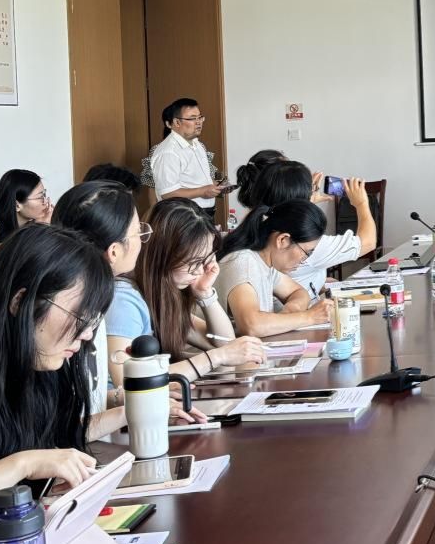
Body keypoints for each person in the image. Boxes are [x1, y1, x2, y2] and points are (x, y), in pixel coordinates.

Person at [0, 225, 119, 494]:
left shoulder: (41, 368)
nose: (87, 334)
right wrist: (24, 464)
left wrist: (129, 412)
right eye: (80, 317)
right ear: (20, 302)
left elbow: (61, 434)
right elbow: (31, 459)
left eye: (93, 320)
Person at [108, 198, 264, 385]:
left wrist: (205, 293)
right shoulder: (124, 300)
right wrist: (216, 357)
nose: (199, 271)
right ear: (163, 256)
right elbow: (126, 380)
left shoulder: (162, 296)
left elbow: (224, 342)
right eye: (193, 262)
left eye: (204, 261)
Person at [50, 182, 146, 418]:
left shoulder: (94, 301)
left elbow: (85, 403)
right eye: (138, 232)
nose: (143, 239)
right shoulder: (69, 316)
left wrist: (132, 401)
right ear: (114, 251)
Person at [238, 158, 375, 297]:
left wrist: (319, 282)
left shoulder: (255, 228)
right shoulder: (302, 244)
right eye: (311, 189)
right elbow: (368, 242)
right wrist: (361, 203)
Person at [215, 201, 334, 337]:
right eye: (306, 252)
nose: (304, 259)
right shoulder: (242, 262)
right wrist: (310, 317)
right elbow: (251, 326)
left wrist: (290, 312)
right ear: (283, 240)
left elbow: (299, 292)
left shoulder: (265, 263)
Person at [148, 97, 226, 214]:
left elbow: (193, 180)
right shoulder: (168, 152)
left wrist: (213, 185)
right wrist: (202, 191)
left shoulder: (197, 144)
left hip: (204, 212)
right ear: (176, 122)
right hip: (184, 215)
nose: (198, 122)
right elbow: (167, 193)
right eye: (192, 118)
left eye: (200, 117)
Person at [0, 169, 52, 244]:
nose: (46, 201)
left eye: (44, 194)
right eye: (40, 197)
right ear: (17, 205)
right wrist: (42, 227)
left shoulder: (32, 225)